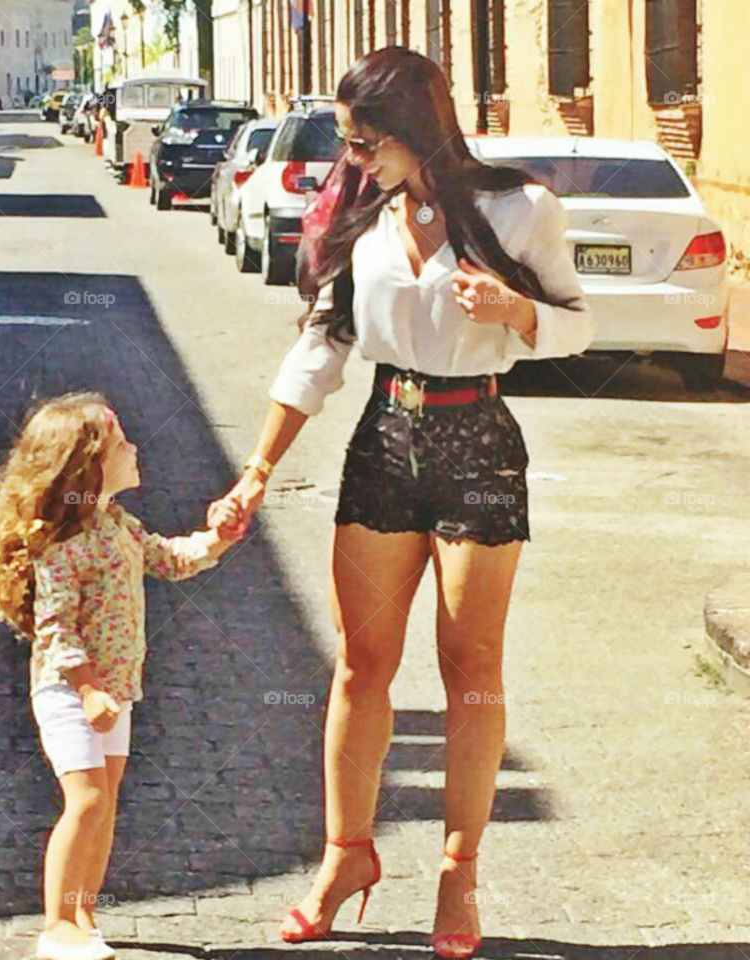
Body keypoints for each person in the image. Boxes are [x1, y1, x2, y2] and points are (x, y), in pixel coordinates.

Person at [208, 47, 594, 959]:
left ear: (412, 127)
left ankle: (459, 873)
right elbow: (320, 348)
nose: (353, 157)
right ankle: (347, 858)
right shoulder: (362, 216)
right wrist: (256, 470)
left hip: (477, 443)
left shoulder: (519, 208)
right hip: (386, 437)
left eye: (364, 140)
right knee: (360, 666)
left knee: (472, 662)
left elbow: (583, 325)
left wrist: (515, 310)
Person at [0, 391, 244, 960]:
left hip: (115, 691)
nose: (136, 449)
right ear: (87, 464)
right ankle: (57, 925)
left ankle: (84, 911)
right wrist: (87, 691)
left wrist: (218, 539)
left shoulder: (116, 523)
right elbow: (56, 629)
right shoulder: (63, 544)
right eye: (121, 443)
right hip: (70, 693)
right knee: (85, 800)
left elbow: (169, 558)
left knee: (105, 801)